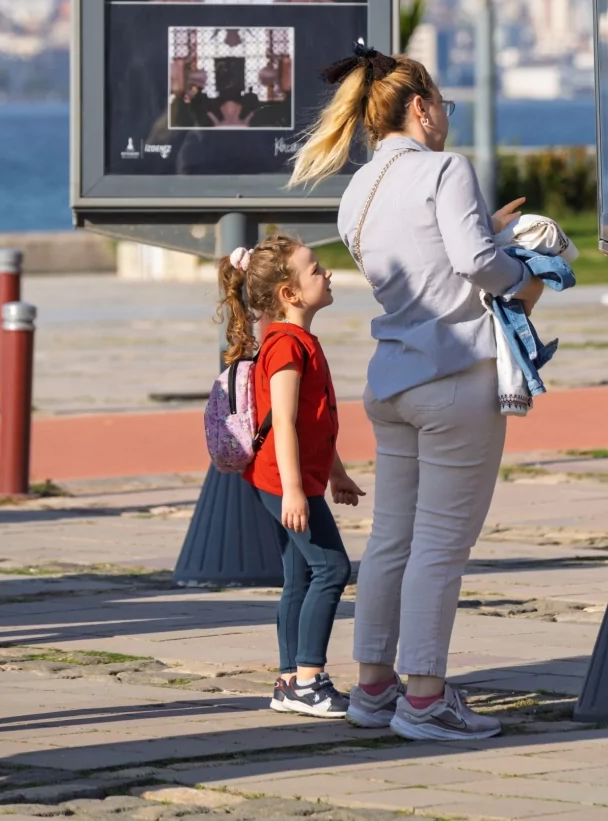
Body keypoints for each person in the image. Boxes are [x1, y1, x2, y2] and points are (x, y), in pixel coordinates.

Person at [289, 45, 544, 742]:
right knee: (440, 544)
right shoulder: (445, 169)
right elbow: (471, 264)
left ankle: (375, 686)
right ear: (421, 106)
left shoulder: (359, 188)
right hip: (454, 376)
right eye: (444, 108)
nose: (446, 120)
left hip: (392, 378)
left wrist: (483, 244)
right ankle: (427, 696)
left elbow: (425, 261)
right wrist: (528, 275)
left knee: (393, 540)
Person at [217, 234, 365, 718]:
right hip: (284, 483)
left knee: (299, 574)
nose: (328, 274)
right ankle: (309, 679)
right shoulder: (285, 347)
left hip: (285, 480)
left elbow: (312, 423)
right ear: (290, 294)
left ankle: (288, 681)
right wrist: (297, 492)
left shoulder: (296, 340)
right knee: (333, 568)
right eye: (316, 269)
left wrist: (337, 474)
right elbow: (281, 422)